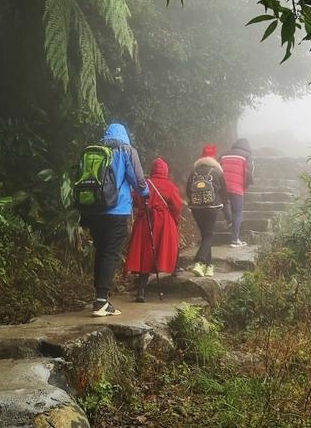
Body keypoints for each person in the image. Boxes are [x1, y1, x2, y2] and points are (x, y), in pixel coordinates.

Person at [80, 122, 149, 317]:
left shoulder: (95, 151)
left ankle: (99, 297)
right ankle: (102, 302)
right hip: (117, 211)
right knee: (111, 254)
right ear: (124, 135)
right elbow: (138, 180)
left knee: (101, 251)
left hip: (94, 211)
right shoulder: (127, 150)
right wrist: (146, 193)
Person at [125, 158, 183, 302]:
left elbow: (135, 200)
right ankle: (175, 268)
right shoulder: (170, 186)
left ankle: (141, 290)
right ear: (166, 171)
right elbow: (177, 206)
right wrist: (175, 221)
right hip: (163, 222)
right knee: (167, 246)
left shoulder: (144, 183)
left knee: (145, 253)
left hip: (144, 221)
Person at [186, 144, 227, 277]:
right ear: (214, 158)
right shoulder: (217, 171)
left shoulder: (194, 172)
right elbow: (224, 193)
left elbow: (188, 190)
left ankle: (209, 267)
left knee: (205, 235)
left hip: (196, 207)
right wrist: (227, 214)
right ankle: (199, 261)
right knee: (209, 236)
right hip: (212, 207)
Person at [220, 138, 254, 247]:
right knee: (237, 213)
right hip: (237, 188)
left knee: (224, 203)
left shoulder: (224, 154)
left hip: (222, 187)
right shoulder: (247, 155)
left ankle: (229, 219)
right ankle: (234, 240)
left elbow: (217, 168)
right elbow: (249, 172)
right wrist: (246, 185)